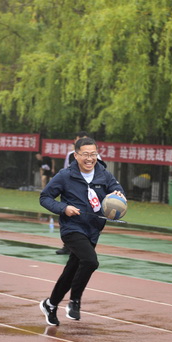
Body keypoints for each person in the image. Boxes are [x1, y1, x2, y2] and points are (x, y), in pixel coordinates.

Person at [39, 137, 125, 326]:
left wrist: (119, 195)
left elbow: (117, 191)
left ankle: (50, 304)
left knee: (72, 269)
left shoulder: (104, 174)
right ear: (76, 155)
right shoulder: (65, 175)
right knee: (90, 261)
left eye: (93, 154)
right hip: (72, 228)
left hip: (93, 229)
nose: (90, 158)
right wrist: (64, 208)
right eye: (85, 154)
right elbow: (45, 197)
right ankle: (75, 300)